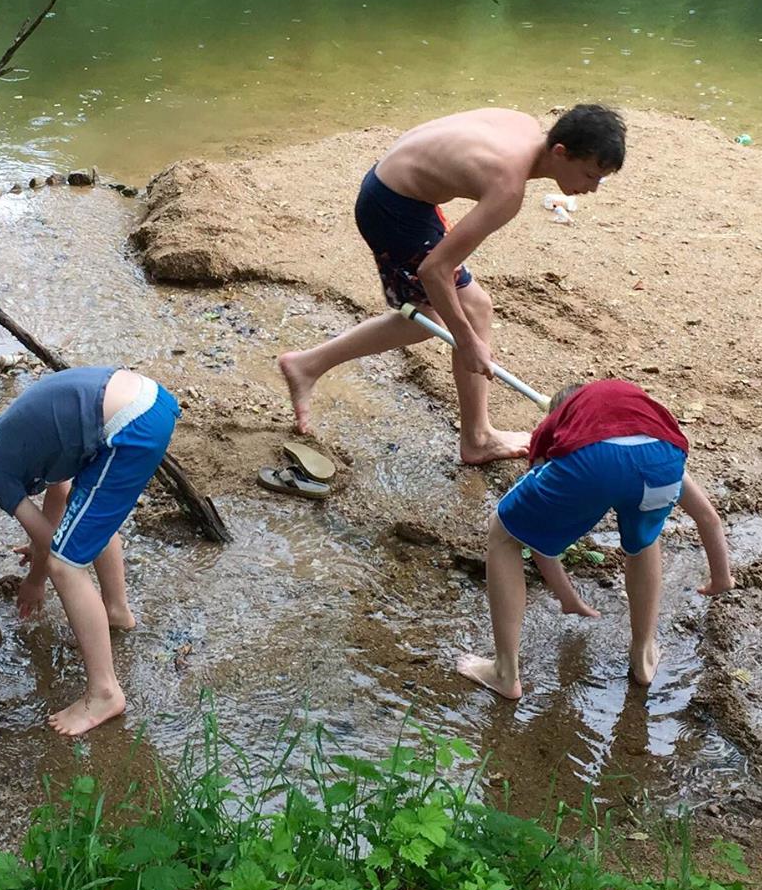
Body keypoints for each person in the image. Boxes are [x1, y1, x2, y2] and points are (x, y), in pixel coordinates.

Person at [277, 104, 626, 465]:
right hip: (394, 208)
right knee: (468, 313)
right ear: (560, 152)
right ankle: (477, 439)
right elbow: (434, 271)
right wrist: (468, 342)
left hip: (396, 187)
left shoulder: (522, 126)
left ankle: (307, 365)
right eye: (589, 176)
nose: (593, 189)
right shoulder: (508, 188)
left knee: (433, 317)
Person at [0, 365, 177, 736]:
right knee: (86, 523)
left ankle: (104, 692)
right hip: (146, 399)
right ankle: (116, 612)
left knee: (65, 566)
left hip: (129, 427)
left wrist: (35, 580)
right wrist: (53, 541)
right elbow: (62, 489)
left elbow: (52, 544)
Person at [457, 378, 734, 699]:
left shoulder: (555, 427)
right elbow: (709, 518)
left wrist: (566, 595)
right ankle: (643, 655)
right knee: (645, 540)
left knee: (504, 531)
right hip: (664, 459)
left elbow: (533, 531)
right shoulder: (639, 420)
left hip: (592, 465)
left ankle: (505, 672)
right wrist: (721, 577)